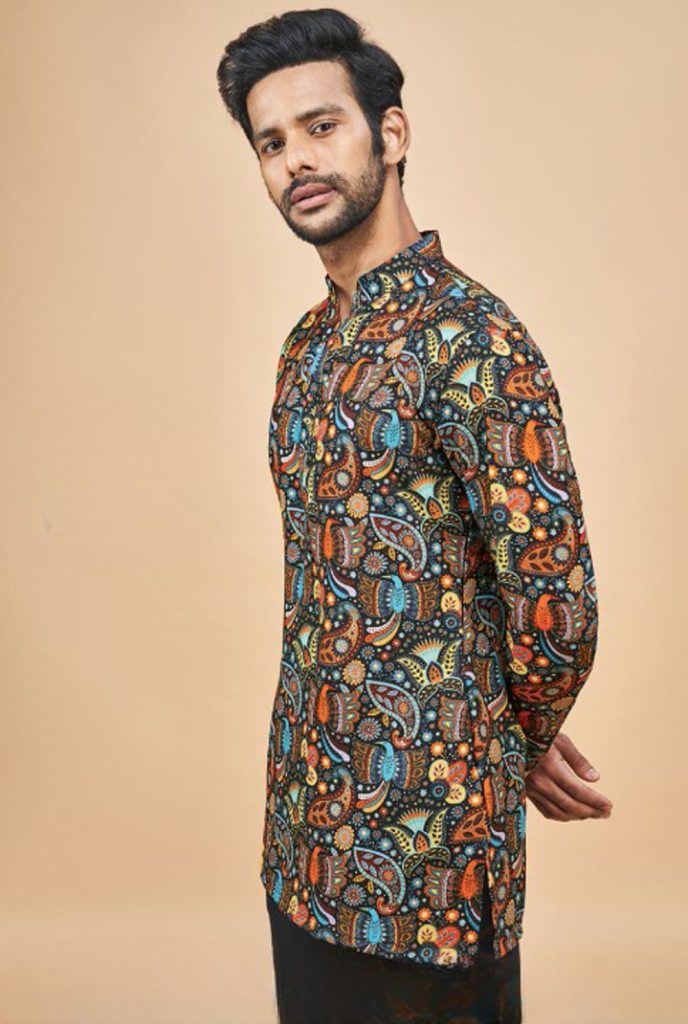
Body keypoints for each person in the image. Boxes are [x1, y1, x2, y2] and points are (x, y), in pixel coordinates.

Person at [216, 9, 612, 1023]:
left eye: (321, 126)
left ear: (389, 133)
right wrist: (511, 725)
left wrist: (501, 737)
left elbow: (556, 609)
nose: (296, 160)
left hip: (432, 859)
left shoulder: (474, 338)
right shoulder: (306, 349)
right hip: (304, 834)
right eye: (271, 142)